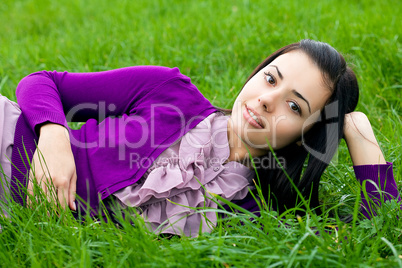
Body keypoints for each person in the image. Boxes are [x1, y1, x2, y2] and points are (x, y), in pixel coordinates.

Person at [0, 39, 399, 237]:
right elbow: (42, 83)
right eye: (270, 78)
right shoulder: (170, 91)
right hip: (12, 143)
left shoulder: (262, 212)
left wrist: (359, 133)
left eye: (294, 107)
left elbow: (373, 235)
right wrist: (53, 139)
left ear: (305, 136)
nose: (265, 100)